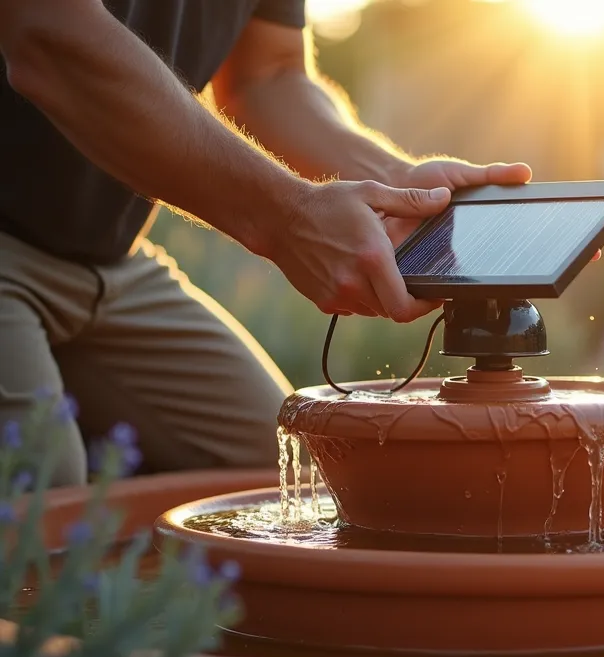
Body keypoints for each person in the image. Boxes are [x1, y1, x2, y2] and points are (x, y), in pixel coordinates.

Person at [0, 0, 534, 486]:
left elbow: (268, 75)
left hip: (113, 265)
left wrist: (400, 182)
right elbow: (47, 33)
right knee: (42, 503)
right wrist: (288, 217)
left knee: (290, 472)